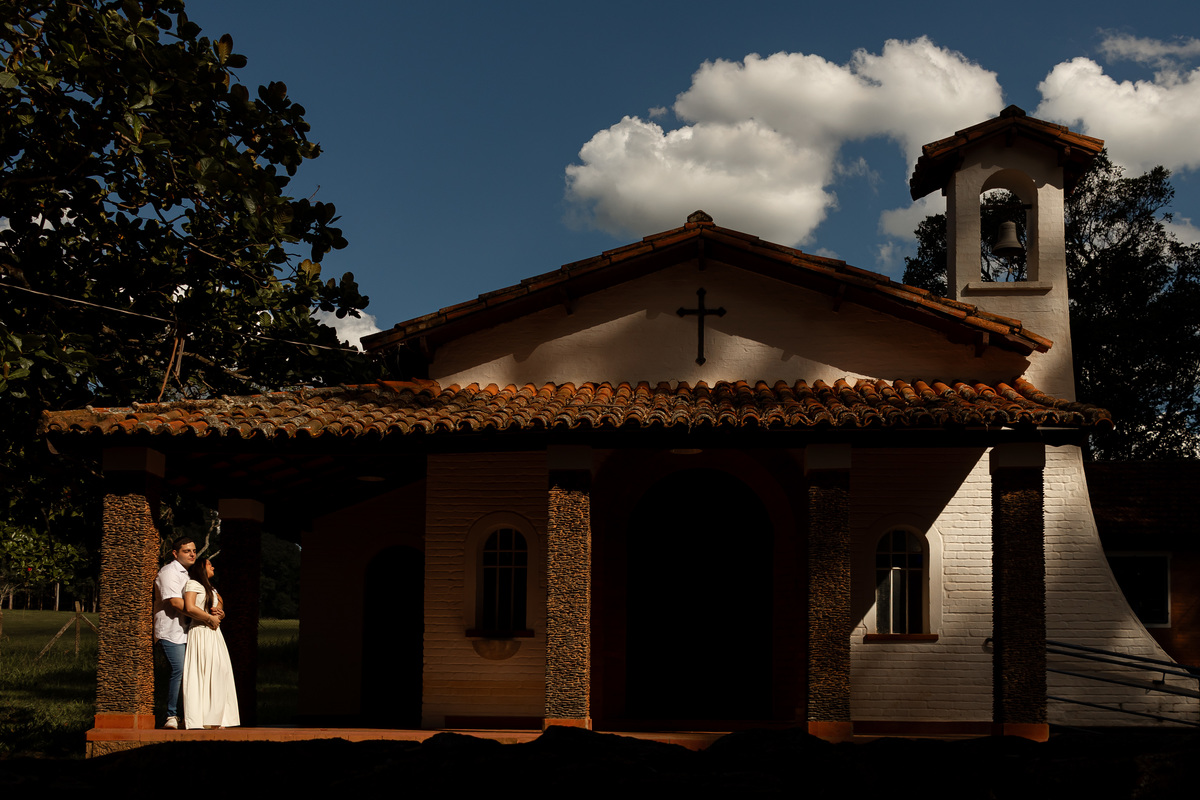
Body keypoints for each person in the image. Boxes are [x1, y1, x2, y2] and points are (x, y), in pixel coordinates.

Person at [153, 536, 211, 729]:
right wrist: (204, 617)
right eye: (187, 551)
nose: (192, 554)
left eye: (194, 551)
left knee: (191, 673)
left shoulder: (188, 575)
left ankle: (191, 716)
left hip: (188, 632)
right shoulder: (169, 573)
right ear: (175, 553)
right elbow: (176, 603)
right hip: (171, 631)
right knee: (179, 670)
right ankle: (171, 715)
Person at [182, 557, 240, 729]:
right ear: (201, 568)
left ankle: (218, 717)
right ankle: (201, 718)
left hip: (214, 634)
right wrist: (208, 618)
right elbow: (189, 607)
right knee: (202, 671)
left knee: (219, 671)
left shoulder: (212, 589)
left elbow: (220, 608)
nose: (213, 566)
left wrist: (220, 614)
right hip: (200, 632)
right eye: (209, 564)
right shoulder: (192, 584)